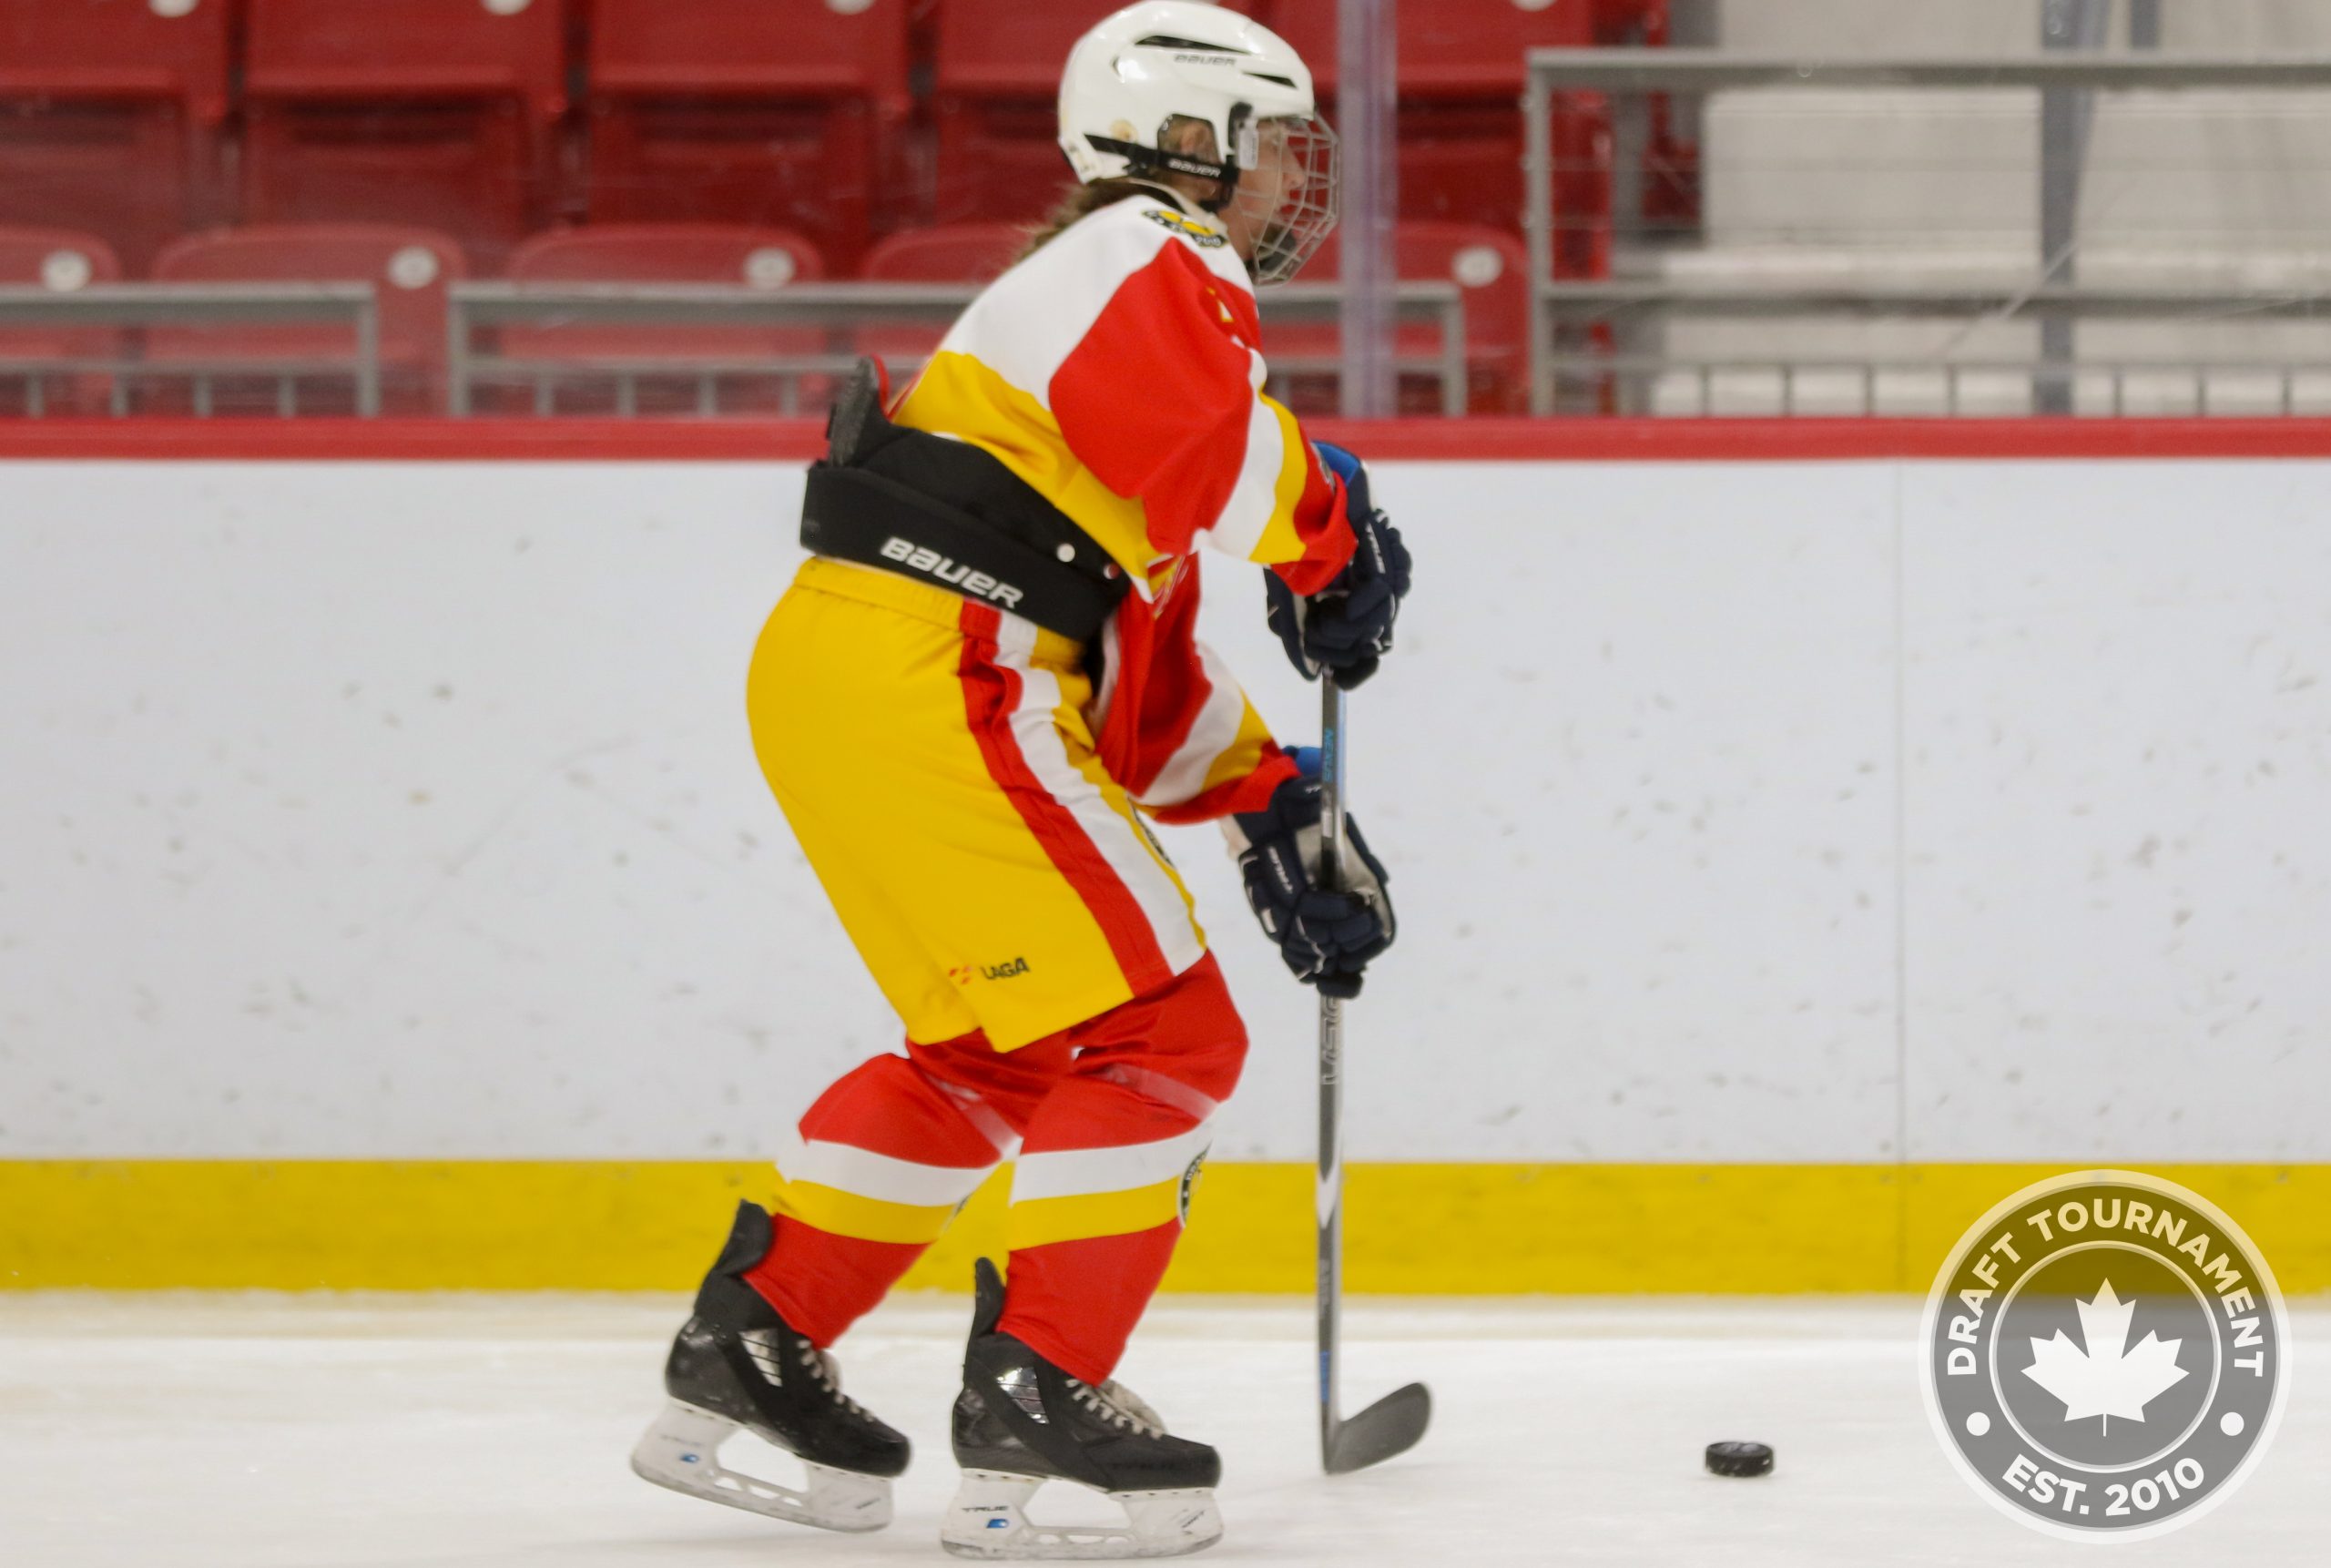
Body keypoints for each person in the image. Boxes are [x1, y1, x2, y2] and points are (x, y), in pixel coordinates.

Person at [629, 3, 1413, 1558]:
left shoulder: (1080, 349)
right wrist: (1327, 527)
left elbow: (1137, 667)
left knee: (995, 1049)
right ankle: (1041, 1386)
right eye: (1271, 148)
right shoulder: (1151, 254)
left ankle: (754, 1340)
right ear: (1185, 141)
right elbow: (1224, 451)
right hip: (948, 664)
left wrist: (1271, 800)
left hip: (861, 669)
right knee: (1163, 1032)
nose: (1289, 185)